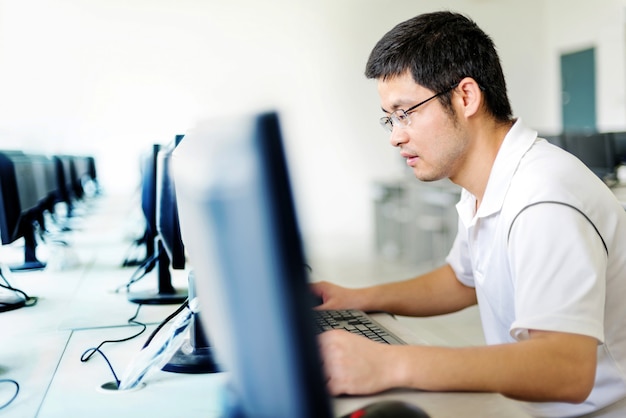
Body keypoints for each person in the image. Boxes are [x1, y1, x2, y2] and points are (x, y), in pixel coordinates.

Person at [312, 11, 626, 418]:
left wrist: (391, 364)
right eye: (389, 118)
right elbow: (462, 280)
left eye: (405, 112)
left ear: (466, 97)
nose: (395, 136)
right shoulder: (488, 183)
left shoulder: (543, 198)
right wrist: (355, 299)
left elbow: (567, 369)